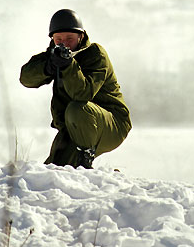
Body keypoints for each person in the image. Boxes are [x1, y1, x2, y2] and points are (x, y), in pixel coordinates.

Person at [20, 9, 132, 169]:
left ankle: (85, 161)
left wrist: (68, 65)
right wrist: (49, 66)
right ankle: (102, 177)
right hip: (74, 126)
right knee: (54, 171)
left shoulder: (95, 54)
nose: (64, 44)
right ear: (52, 39)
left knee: (76, 109)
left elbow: (82, 93)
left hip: (113, 123)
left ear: (80, 37)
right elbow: (25, 78)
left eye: (69, 39)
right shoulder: (54, 55)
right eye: (58, 39)